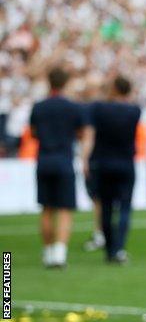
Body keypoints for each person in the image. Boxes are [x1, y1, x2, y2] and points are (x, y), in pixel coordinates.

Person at [30, 67, 90, 268]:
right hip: (64, 160)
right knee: (64, 209)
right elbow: (82, 133)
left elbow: (33, 132)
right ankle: (59, 254)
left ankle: (47, 252)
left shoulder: (39, 107)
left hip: (44, 159)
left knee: (46, 208)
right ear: (66, 83)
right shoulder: (73, 107)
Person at [86, 76, 141, 263]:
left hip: (103, 164)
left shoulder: (98, 108)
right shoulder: (134, 110)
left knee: (106, 209)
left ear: (115, 88)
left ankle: (109, 250)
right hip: (126, 163)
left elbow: (91, 131)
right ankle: (119, 248)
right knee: (125, 207)